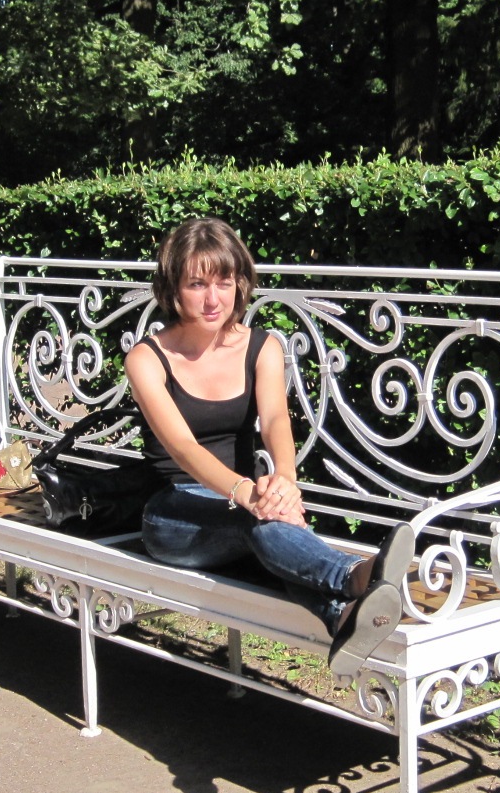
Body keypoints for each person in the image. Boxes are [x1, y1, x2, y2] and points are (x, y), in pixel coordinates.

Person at [124, 217, 414, 679]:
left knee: (263, 531)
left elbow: (276, 418)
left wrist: (285, 480)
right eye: (197, 284)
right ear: (173, 287)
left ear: (240, 283)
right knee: (257, 522)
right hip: (173, 515)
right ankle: (354, 576)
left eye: (224, 282)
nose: (213, 299)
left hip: (251, 509)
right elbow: (181, 447)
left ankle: (342, 617)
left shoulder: (262, 347)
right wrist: (248, 493)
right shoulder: (147, 358)